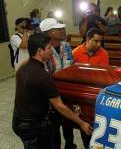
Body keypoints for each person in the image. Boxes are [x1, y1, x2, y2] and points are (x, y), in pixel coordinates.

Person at [12, 33, 92, 149]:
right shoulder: (43, 76)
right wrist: (81, 123)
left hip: (18, 121)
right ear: (40, 50)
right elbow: (59, 106)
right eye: (49, 48)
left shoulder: (22, 67)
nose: (52, 50)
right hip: (32, 126)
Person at [40, 18, 77, 149]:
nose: (62, 30)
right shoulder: (43, 49)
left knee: (68, 120)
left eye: (61, 28)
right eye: (58, 29)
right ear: (48, 32)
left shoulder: (65, 45)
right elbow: (44, 73)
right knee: (54, 124)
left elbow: (70, 65)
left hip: (65, 87)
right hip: (51, 90)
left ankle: (69, 144)